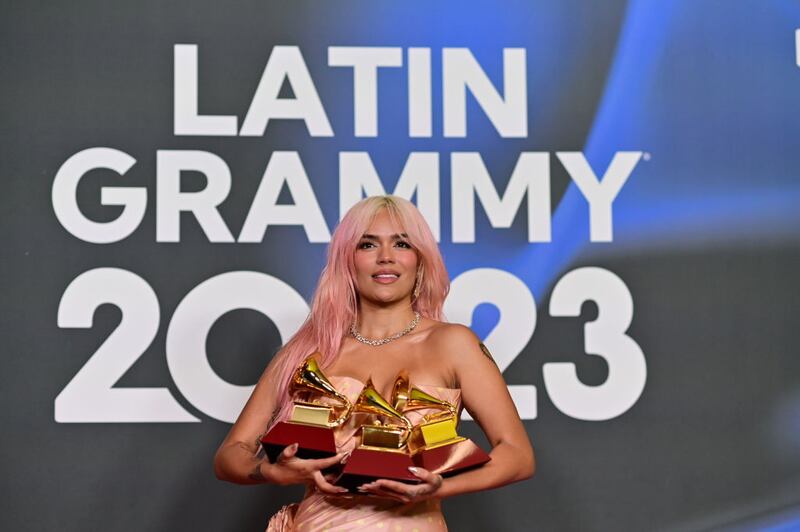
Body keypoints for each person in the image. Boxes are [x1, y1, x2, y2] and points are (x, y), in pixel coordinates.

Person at [214, 195, 535, 531]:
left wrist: (441, 486)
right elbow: (230, 455)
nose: (386, 258)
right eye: (367, 245)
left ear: (420, 260)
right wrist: (272, 472)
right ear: (347, 261)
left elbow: (517, 454)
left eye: (401, 244)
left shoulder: (453, 343)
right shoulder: (308, 350)